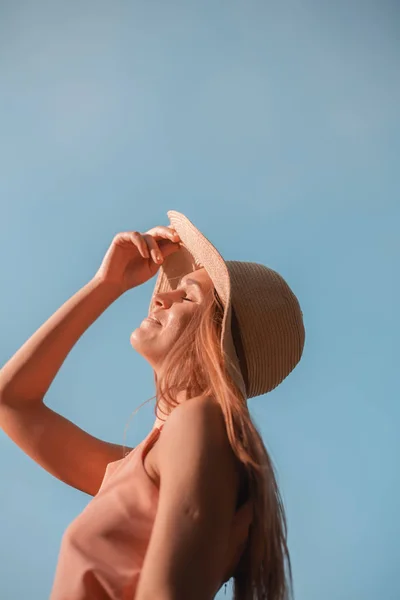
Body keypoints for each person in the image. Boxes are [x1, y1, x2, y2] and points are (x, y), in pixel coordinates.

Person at [0, 210, 305, 599]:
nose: (161, 297)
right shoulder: (143, 461)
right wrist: (105, 283)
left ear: (216, 338)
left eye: (187, 296)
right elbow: (11, 401)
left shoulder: (200, 422)